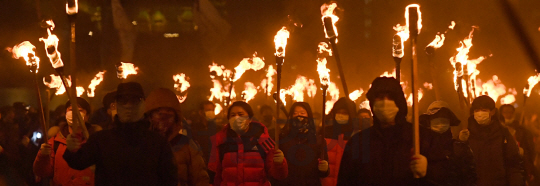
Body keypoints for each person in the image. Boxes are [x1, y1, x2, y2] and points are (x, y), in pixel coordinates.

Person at [62, 82, 177, 186]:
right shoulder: (101, 139)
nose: (128, 105)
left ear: (143, 104)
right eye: (123, 101)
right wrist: (72, 150)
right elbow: (78, 162)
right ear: (116, 104)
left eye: (134, 100)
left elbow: (169, 180)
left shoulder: (158, 143)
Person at [337, 77, 429, 185]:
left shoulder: (420, 137)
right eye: (380, 98)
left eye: (391, 97)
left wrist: (428, 171)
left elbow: (444, 178)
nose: (385, 102)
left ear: (399, 101)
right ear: (372, 103)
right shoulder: (358, 142)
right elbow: (346, 180)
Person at [208, 101, 288, 185]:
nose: (236, 118)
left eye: (240, 114)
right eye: (233, 115)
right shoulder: (220, 141)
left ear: (249, 119)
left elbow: (278, 175)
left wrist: (279, 164)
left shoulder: (263, 139)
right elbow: (215, 174)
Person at [145, 88, 209, 186]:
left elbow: (200, 180)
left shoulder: (188, 146)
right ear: (149, 116)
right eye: (159, 113)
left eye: (168, 112)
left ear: (176, 117)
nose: (163, 119)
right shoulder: (141, 145)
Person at [34, 97, 102, 186]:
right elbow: (43, 172)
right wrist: (43, 156)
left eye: (80, 110)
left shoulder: (96, 141)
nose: (74, 113)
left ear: (87, 116)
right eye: (71, 110)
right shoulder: (55, 141)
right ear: (66, 114)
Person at [468, 96, 524, 186]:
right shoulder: (467, 135)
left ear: (493, 112)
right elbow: (461, 164)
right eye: (477, 110)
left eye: (484, 110)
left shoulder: (503, 134)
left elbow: (513, 164)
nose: (480, 114)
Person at [419, 101, 476, 185]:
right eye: (436, 120)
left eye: (443, 120)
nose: (440, 124)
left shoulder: (458, 147)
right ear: (429, 122)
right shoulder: (421, 147)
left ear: (449, 122)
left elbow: (469, 176)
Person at [272, 102, 329, 186]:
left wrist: (325, 169)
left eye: (302, 113)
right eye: (295, 113)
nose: (299, 116)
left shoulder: (318, 140)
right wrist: (278, 162)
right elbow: (273, 169)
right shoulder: (281, 138)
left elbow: (323, 172)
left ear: (309, 116)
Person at [321, 97, 358, 186]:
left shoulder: (357, 136)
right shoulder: (324, 133)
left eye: (345, 113)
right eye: (338, 112)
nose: (341, 115)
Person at [501, 104, 537, 184]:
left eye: (510, 112)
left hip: (518, 167)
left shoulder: (522, 131)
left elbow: (529, 150)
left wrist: (529, 169)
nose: (508, 115)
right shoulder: (497, 130)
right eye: (505, 112)